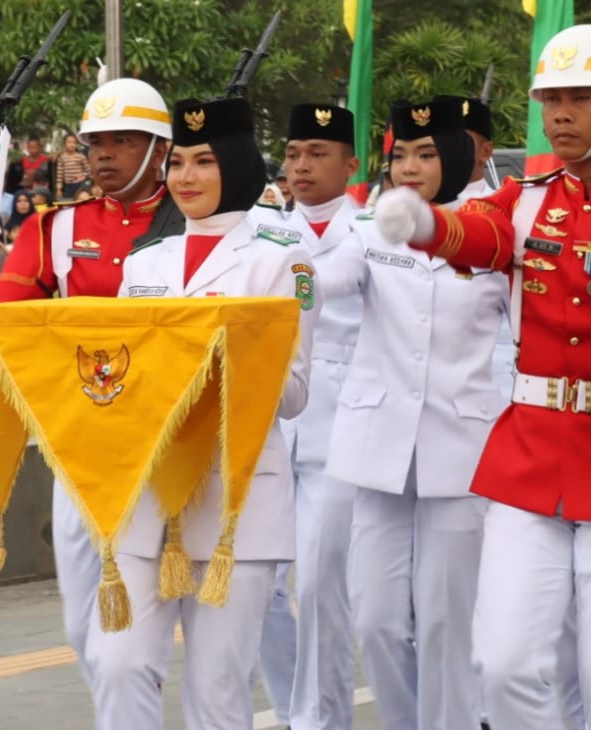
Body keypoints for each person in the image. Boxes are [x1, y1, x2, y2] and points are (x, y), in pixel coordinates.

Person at [376, 27, 591, 729]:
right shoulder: (527, 198)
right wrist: (424, 225)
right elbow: (477, 235)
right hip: (530, 459)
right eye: (551, 100)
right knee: (502, 666)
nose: (561, 114)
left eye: (582, 98)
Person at [89, 95, 317, 730]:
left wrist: (213, 364)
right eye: (178, 162)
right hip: (150, 499)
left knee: (217, 691)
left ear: (237, 165)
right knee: (117, 665)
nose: (186, 177)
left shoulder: (283, 257)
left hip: (233, 504)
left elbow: (295, 393)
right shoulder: (145, 262)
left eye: (205, 162)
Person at [0, 77, 182, 703]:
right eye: (96, 142)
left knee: (124, 641)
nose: (104, 155)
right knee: (81, 629)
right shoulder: (57, 229)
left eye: (122, 141)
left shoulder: (191, 222)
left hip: (163, 447)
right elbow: (6, 301)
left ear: (160, 149)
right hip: (80, 446)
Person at [323, 95, 508, 730]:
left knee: (444, 623)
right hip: (378, 448)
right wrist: (285, 282)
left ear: (456, 155)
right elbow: (325, 278)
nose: (408, 168)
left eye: (426, 155)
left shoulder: (493, 232)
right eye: (400, 155)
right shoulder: (369, 228)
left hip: (461, 449)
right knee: (375, 620)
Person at [249, 103, 365, 730]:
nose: (301, 165)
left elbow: (316, 286)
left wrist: (283, 274)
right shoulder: (263, 229)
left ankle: (322, 720)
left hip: (339, 432)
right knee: (259, 585)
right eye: (294, 154)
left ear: (351, 164)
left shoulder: (371, 230)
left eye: (318, 153)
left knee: (321, 588)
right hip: (272, 424)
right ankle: (295, 709)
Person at [54, 132, 93, 199]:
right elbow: (59, 175)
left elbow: (89, 170)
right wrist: (59, 189)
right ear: (64, 144)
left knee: (81, 199)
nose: (71, 145)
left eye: (74, 142)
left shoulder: (80, 156)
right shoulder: (61, 158)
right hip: (68, 185)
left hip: (80, 183)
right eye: (69, 142)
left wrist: (83, 176)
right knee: (69, 201)